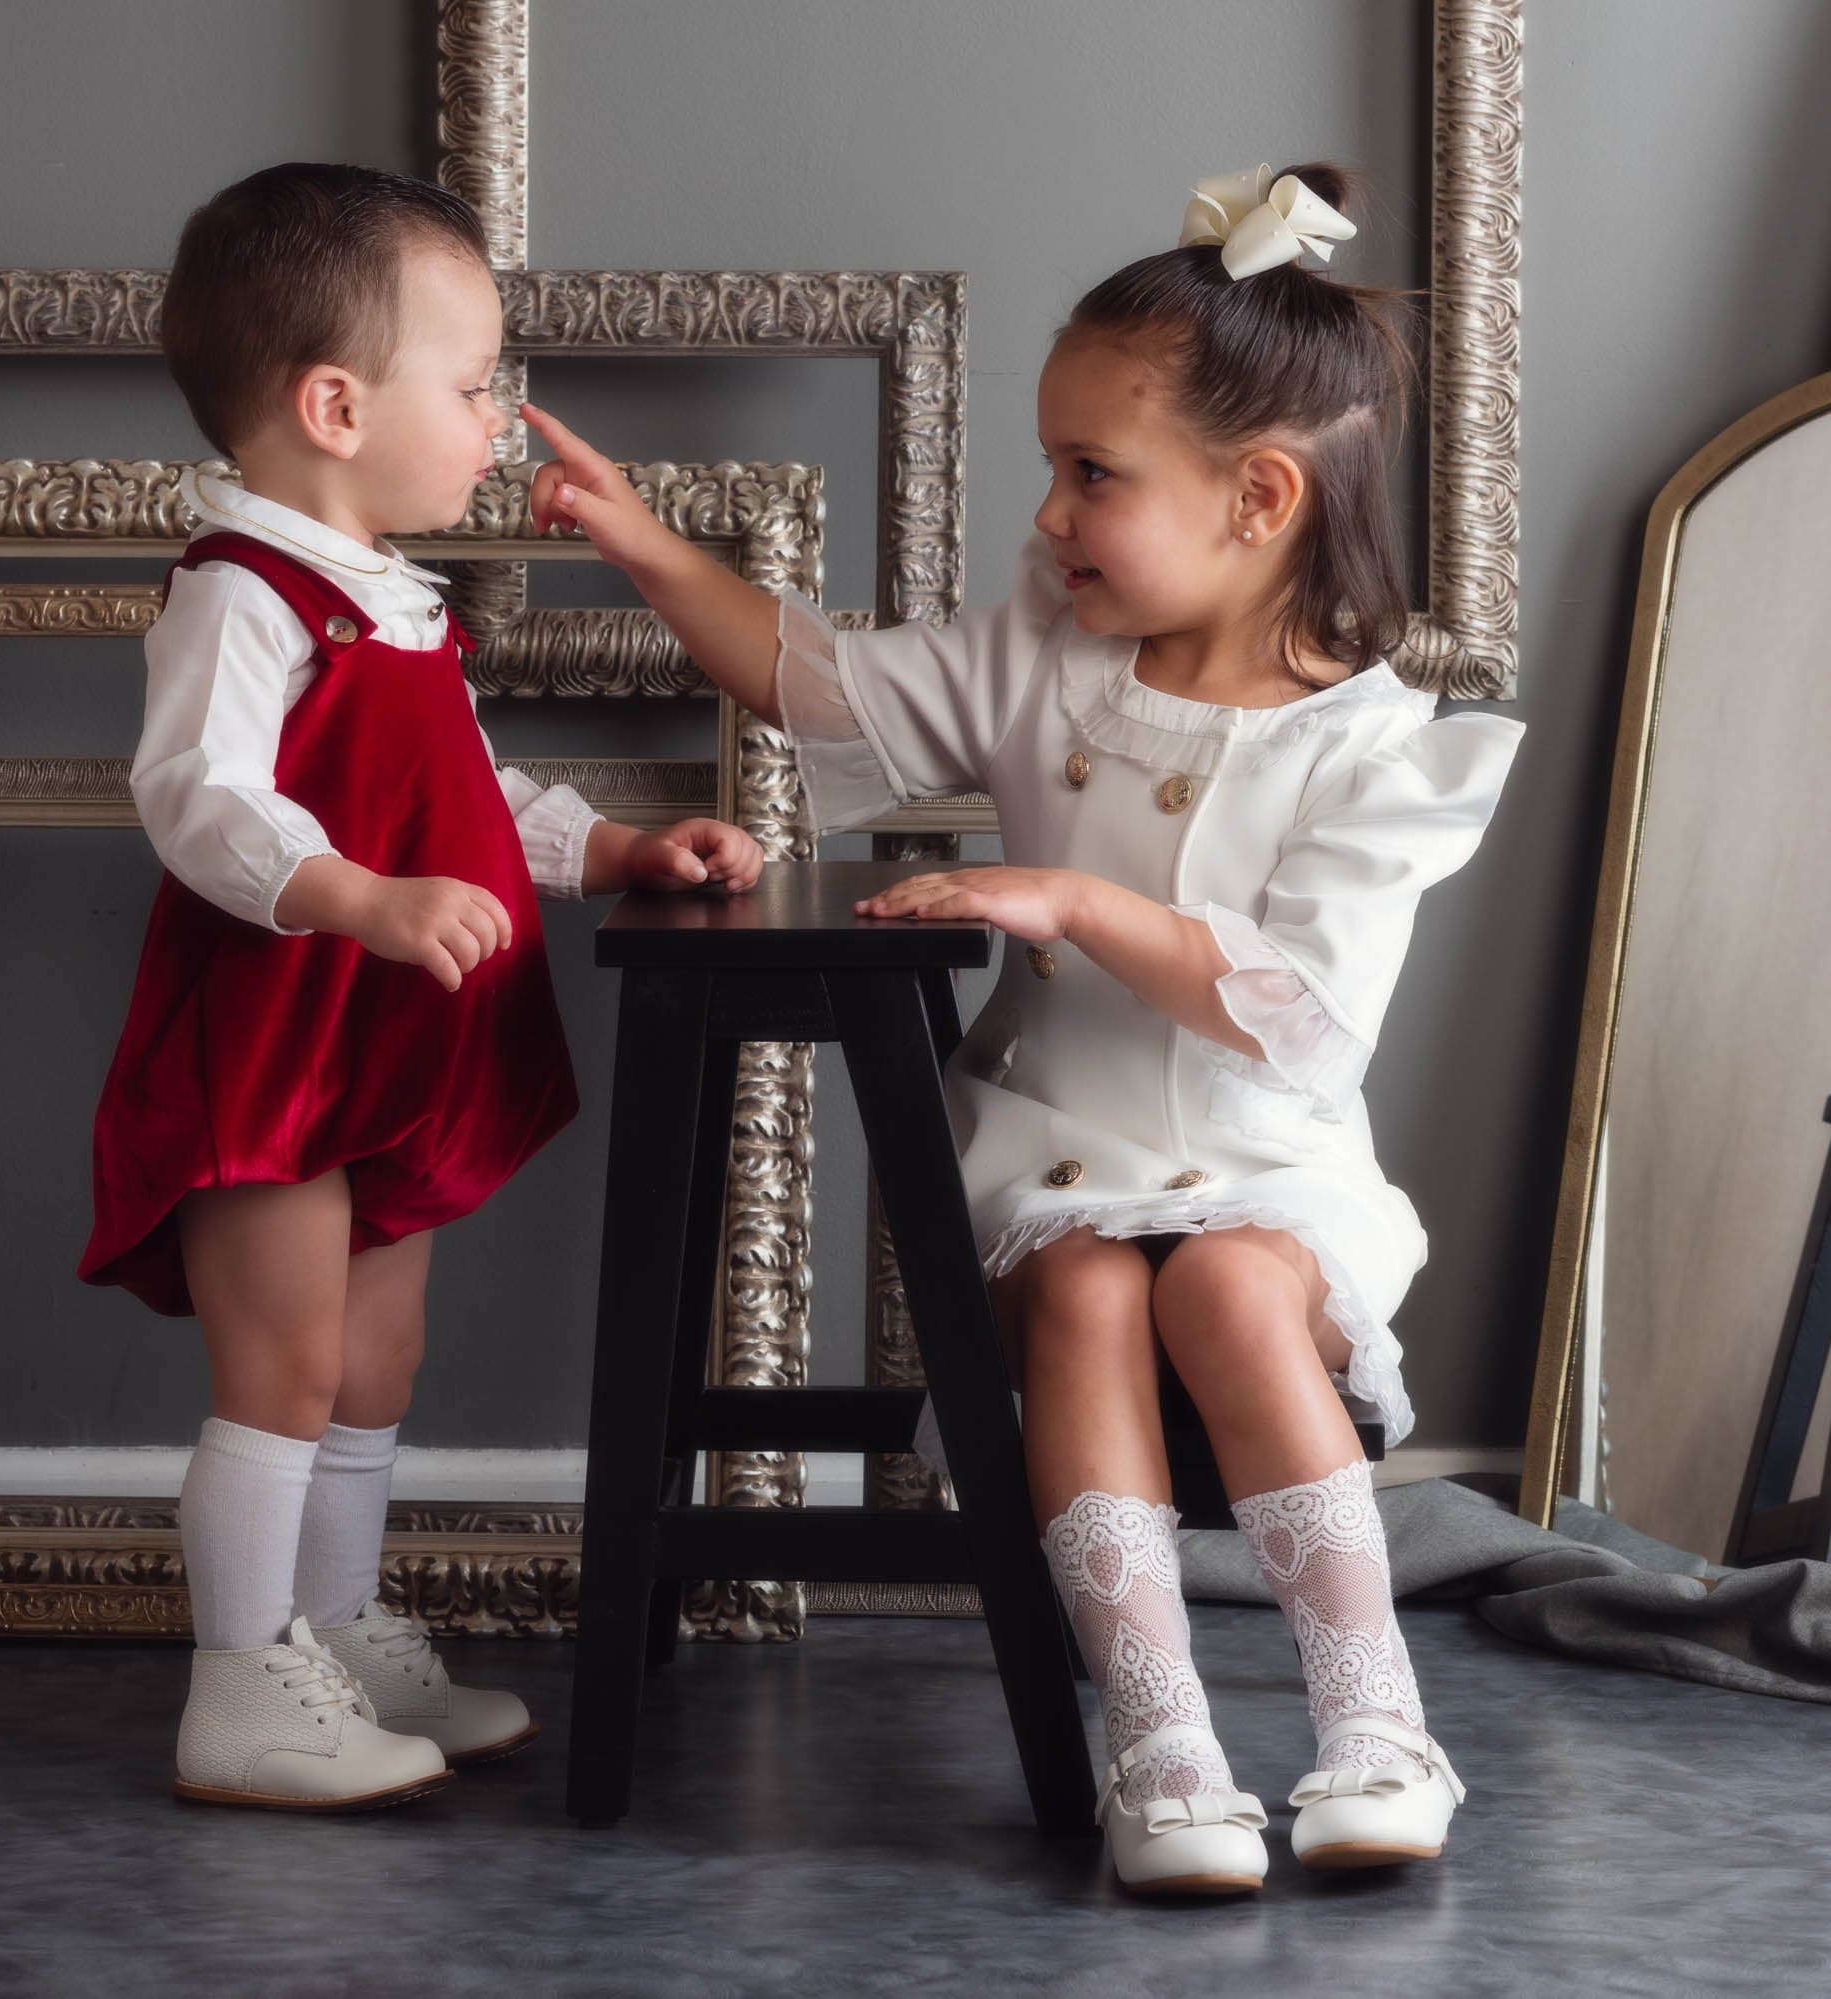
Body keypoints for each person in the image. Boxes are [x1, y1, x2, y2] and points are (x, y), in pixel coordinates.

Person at [518, 161, 1523, 1893]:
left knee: (1219, 1279)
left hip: (1268, 1157)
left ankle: (1374, 1723)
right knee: (1074, 1284)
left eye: (1091, 477)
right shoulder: (1044, 663)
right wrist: (642, 541)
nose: (1050, 517)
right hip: (1060, 1142)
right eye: (1052, 470)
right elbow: (814, 678)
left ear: (1261, 496)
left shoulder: (1370, 748)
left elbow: (1304, 1024)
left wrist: (1074, 903)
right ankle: (1161, 1736)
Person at [76, 162, 762, 1812]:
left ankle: (331, 1624)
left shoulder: (391, 594)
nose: (502, 424)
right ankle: (242, 1685)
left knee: (381, 1359)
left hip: (386, 1040)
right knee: (287, 1368)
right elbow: (201, 798)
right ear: (333, 403)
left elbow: (461, 792)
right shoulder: (245, 590)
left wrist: (606, 851)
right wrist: (354, 898)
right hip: (277, 1046)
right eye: (472, 390)